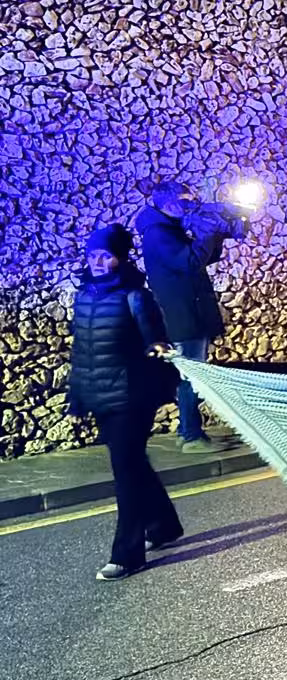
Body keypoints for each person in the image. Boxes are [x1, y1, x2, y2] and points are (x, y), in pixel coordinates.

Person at [67, 224, 183, 581]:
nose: (99, 262)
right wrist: (79, 393)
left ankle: (128, 553)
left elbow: (154, 340)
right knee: (132, 464)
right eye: (93, 255)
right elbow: (83, 351)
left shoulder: (136, 296)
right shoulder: (84, 294)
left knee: (126, 472)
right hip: (100, 394)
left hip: (132, 397)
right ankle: (163, 525)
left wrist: (159, 347)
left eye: (106, 255)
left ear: (120, 258)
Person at [134, 180, 249, 452]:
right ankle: (192, 437)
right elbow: (189, 263)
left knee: (191, 372)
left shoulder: (167, 229)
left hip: (187, 312)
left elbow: (199, 257)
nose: (192, 204)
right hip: (183, 315)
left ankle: (187, 430)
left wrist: (218, 234)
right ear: (168, 202)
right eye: (186, 200)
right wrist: (208, 232)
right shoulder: (158, 234)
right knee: (191, 374)